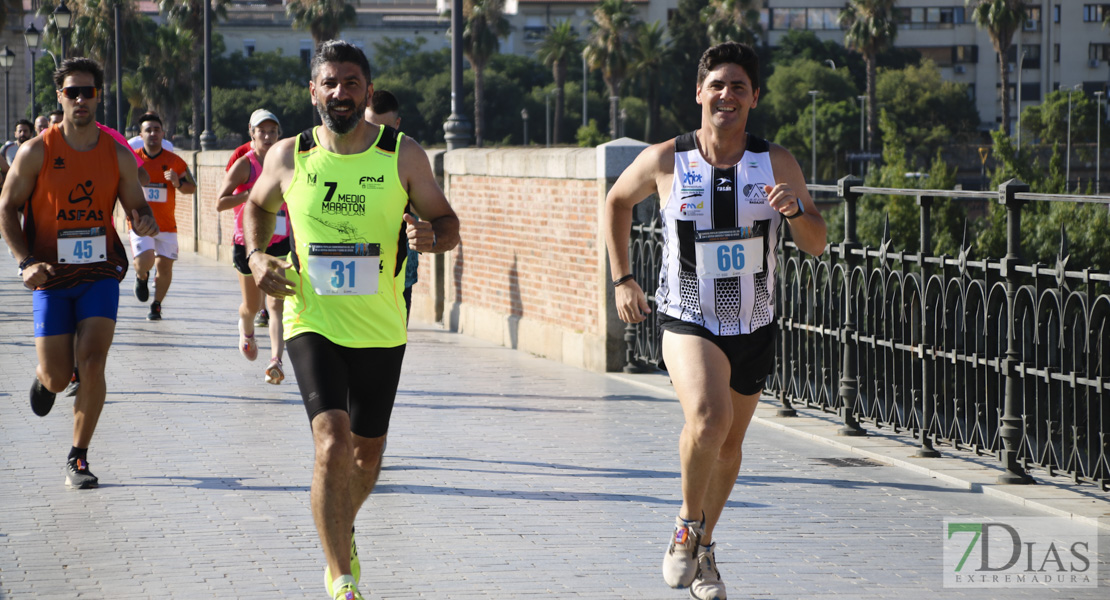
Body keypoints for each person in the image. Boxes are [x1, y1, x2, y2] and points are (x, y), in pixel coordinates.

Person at [603, 42, 827, 600]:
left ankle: (704, 550)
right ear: (700, 93)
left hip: (754, 321)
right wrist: (623, 279)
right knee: (708, 417)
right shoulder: (666, 159)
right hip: (687, 316)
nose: (727, 95)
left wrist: (796, 212)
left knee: (728, 446)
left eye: (739, 87)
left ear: (755, 98)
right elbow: (615, 202)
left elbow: (818, 244)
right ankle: (685, 525)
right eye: (718, 85)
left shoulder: (776, 162)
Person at [245, 40, 459, 600]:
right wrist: (257, 254)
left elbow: (448, 222)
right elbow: (257, 208)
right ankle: (341, 578)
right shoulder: (289, 154)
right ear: (313, 91)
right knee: (331, 444)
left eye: (351, 82)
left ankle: (342, 526)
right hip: (311, 316)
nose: (340, 92)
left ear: (367, 90)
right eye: (330, 83)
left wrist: (429, 238)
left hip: (382, 326)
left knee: (366, 457)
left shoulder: (402, 154)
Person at [0, 57, 158, 489]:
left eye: (88, 92)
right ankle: (47, 377)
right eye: (72, 92)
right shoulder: (37, 151)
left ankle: (79, 457)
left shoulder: (118, 154)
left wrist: (143, 220)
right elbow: (7, 208)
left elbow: (137, 206)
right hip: (49, 275)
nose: (81, 99)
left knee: (93, 361)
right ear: (60, 97)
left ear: (99, 95)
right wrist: (25, 262)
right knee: (56, 374)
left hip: (99, 271)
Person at [215, 108, 289, 385]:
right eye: (262, 131)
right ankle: (246, 329)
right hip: (248, 243)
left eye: (273, 131)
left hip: (280, 240)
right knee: (252, 304)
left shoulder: (285, 162)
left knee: (275, 304)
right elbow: (220, 202)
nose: (268, 136)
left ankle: (276, 360)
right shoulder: (245, 165)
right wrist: (250, 194)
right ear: (252, 133)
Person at [128, 112, 196, 320]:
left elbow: (191, 188)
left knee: (165, 267)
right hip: (141, 223)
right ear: (141, 134)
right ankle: (141, 276)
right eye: (148, 130)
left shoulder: (175, 161)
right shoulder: (133, 159)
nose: (153, 134)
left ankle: (156, 304)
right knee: (146, 260)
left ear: (163, 133)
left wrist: (177, 183)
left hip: (166, 225)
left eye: (157, 130)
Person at [365, 89, 419, 321]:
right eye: (370, 127)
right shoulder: (348, 157)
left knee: (394, 339)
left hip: (398, 268)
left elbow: (427, 209)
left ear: (397, 124)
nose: (377, 135)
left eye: (384, 129)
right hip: (358, 263)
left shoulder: (408, 156)